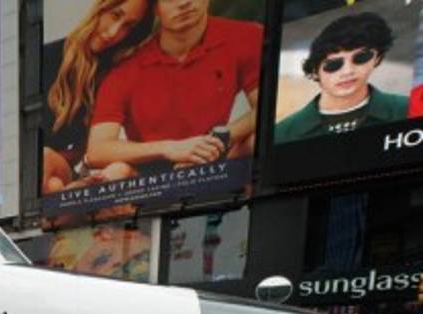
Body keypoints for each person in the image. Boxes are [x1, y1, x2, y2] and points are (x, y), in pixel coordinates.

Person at [85, 0, 262, 174]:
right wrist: (170, 148)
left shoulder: (245, 36)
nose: (184, 3)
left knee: (258, 141)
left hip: (217, 160)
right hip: (151, 177)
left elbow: (267, 106)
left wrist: (214, 143)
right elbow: (98, 150)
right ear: (155, 8)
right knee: (117, 171)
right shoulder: (125, 69)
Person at [42, 0, 153, 193]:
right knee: (53, 185)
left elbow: (89, 149)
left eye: (128, 26)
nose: (113, 33)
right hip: (37, 177)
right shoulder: (45, 58)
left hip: (62, 167)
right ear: (101, 8)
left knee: (44, 161)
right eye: (116, 15)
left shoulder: (114, 74)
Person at [275, 12, 408, 145]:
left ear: (377, 59)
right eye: (333, 64)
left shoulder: (408, 108)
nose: (348, 71)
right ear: (315, 72)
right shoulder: (282, 134)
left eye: (361, 58)